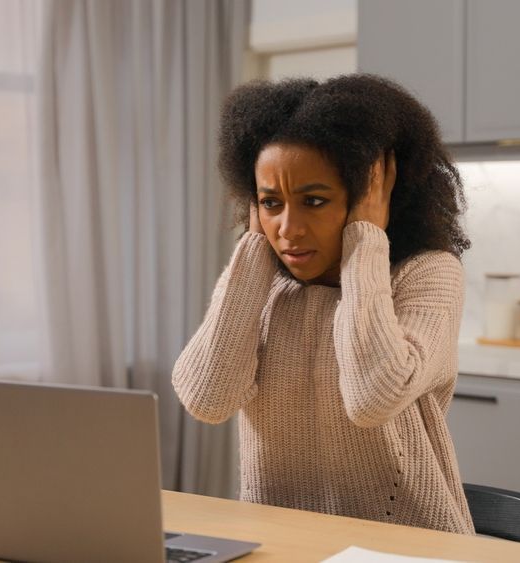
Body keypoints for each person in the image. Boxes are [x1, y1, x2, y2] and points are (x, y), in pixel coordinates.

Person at [172, 74, 474, 535]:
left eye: (314, 200)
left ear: (373, 198)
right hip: (280, 542)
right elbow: (207, 399)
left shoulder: (427, 274)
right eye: (271, 202)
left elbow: (374, 397)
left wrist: (365, 242)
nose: (288, 228)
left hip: (406, 544)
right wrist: (254, 254)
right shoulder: (263, 281)